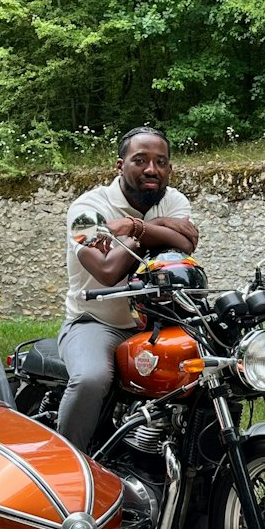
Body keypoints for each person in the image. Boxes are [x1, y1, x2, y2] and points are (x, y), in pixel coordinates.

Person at [58, 126, 199, 450]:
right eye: (141, 160)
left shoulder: (174, 199)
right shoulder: (86, 210)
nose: (152, 169)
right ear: (120, 166)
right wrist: (159, 228)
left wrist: (134, 227)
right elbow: (108, 269)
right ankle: (67, 468)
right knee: (91, 379)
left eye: (161, 162)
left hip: (160, 321)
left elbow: (186, 243)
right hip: (96, 321)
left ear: (170, 169)